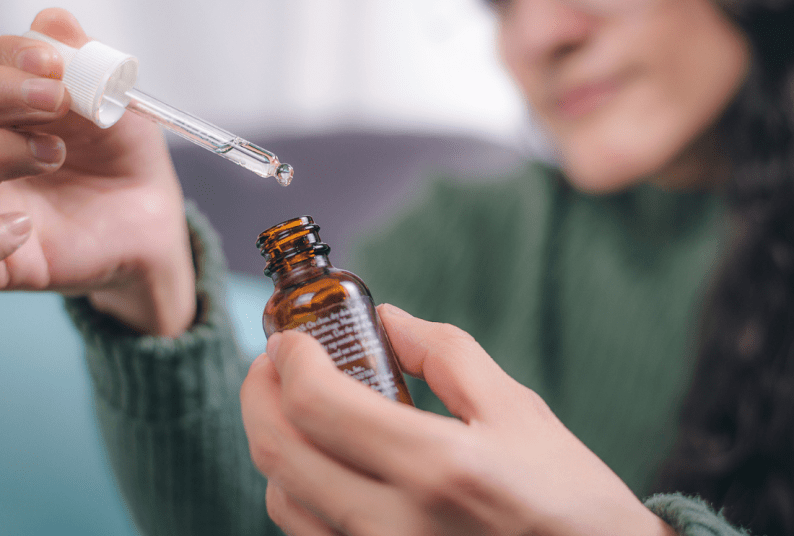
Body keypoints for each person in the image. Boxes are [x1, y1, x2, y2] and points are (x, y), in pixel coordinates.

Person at [1, 1, 792, 534]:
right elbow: (285, 513)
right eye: (502, 3)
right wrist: (150, 283)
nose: (539, 35)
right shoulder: (461, 237)